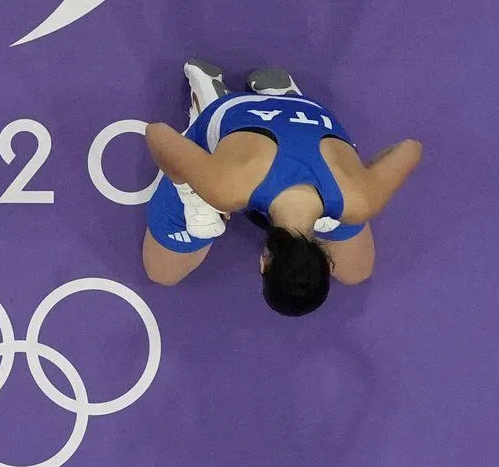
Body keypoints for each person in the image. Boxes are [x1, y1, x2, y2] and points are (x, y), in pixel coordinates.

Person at [142, 62, 422, 316]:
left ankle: (283, 96)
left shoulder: (362, 201)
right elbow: (157, 134)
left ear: (325, 260)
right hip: (235, 114)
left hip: (310, 115)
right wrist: (194, 196)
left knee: (356, 271)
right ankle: (212, 98)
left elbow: (412, 148)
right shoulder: (224, 189)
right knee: (163, 272)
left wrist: (362, 177)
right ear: (264, 262)